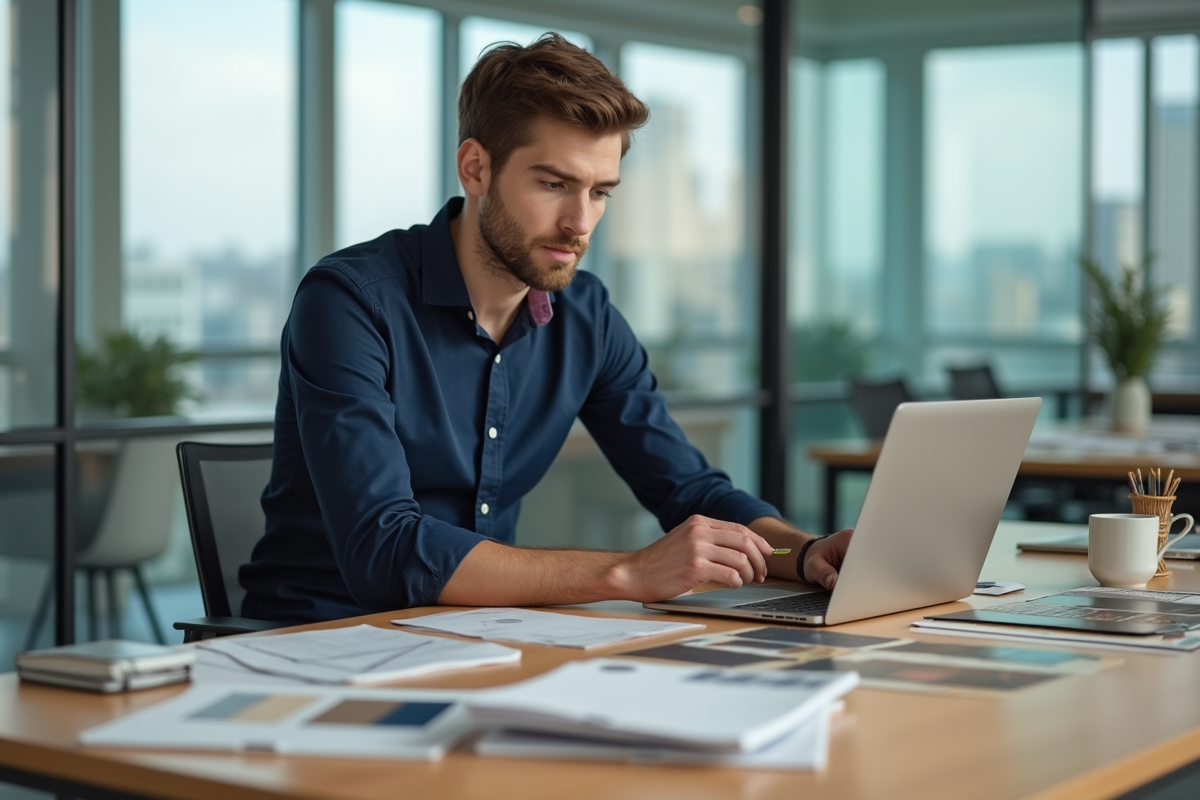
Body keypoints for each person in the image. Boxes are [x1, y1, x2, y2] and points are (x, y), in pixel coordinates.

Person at [240, 33, 852, 624]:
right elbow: (386, 549)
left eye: (600, 192)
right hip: (321, 645)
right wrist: (626, 573)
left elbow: (689, 490)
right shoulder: (350, 302)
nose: (579, 223)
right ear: (476, 168)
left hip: (485, 639)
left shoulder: (585, 317)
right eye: (554, 184)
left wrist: (800, 554)